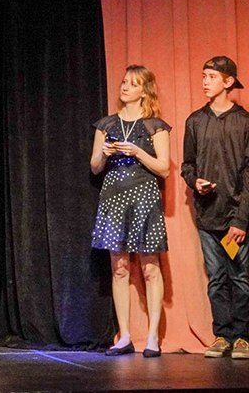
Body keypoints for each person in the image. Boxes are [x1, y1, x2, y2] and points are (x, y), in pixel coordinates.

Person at [89, 65, 170, 358]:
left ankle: (152, 338)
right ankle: (124, 336)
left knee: (150, 267)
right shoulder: (107, 125)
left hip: (144, 196)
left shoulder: (154, 125)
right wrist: (104, 154)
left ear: (144, 90)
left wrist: (137, 152)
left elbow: (164, 168)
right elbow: (94, 167)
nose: (124, 87)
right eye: (124, 82)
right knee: (119, 267)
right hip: (114, 196)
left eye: (132, 84)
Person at [182, 56, 249, 360]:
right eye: (204, 75)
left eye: (211, 76)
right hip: (208, 216)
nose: (205, 81)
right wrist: (195, 182)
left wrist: (242, 219)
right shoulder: (195, 120)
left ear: (229, 82)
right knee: (217, 278)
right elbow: (188, 165)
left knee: (241, 277)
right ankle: (222, 335)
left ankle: (243, 338)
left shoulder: (244, 121)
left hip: (236, 216)